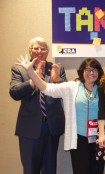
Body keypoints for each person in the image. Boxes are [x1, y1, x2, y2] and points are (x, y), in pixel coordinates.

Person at [15, 55, 105, 174]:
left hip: (99, 139)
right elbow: (46, 88)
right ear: (82, 72)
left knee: (97, 171)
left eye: (94, 69)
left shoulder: (103, 89)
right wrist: (31, 72)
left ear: (99, 72)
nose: (91, 72)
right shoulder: (72, 87)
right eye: (87, 69)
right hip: (79, 139)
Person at [9, 37, 66, 174]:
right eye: (36, 48)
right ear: (30, 51)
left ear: (47, 52)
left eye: (43, 49)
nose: (39, 51)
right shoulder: (20, 69)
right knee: (30, 169)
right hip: (30, 128)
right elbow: (14, 93)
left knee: (50, 169)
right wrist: (33, 80)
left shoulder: (56, 69)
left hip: (52, 127)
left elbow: (66, 94)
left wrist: (57, 80)